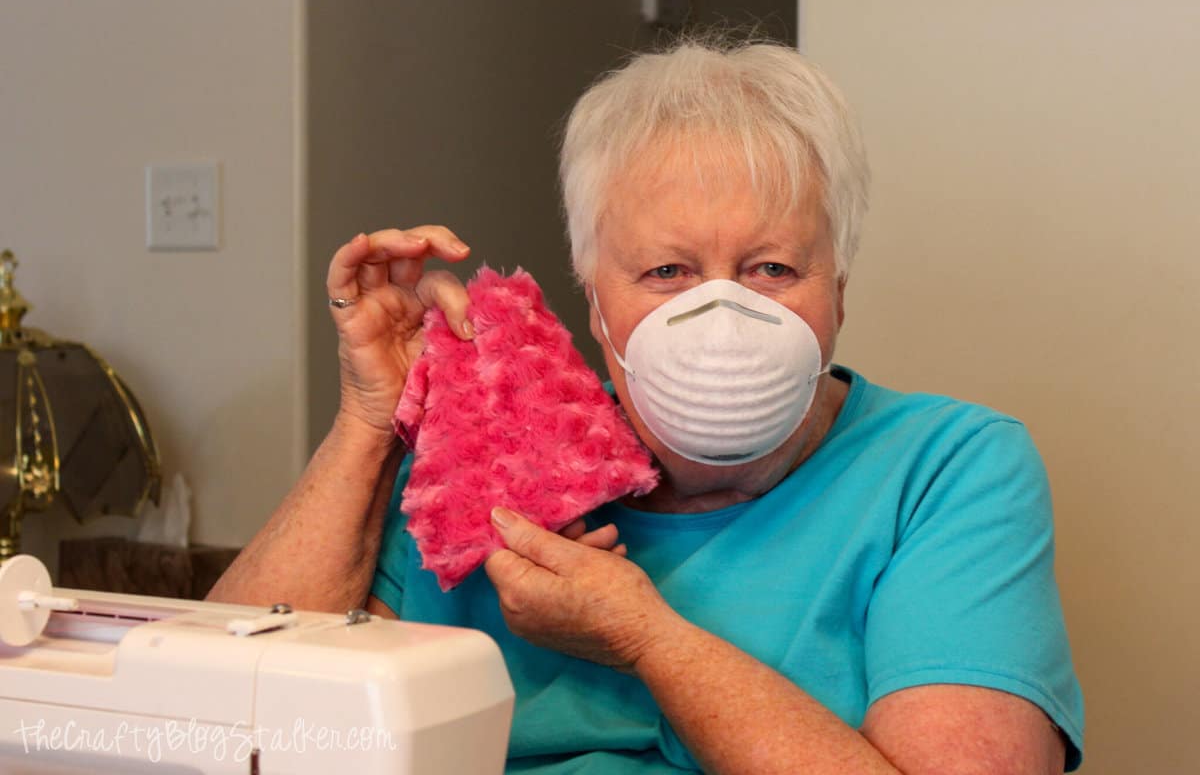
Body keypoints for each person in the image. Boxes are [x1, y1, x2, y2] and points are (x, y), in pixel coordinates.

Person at [210, 38, 1084, 774]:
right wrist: (373, 421)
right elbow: (214, 715)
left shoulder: (946, 469)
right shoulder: (496, 458)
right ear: (594, 304)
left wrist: (645, 636)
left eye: (772, 268)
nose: (722, 319)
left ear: (840, 294)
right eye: (666, 272)